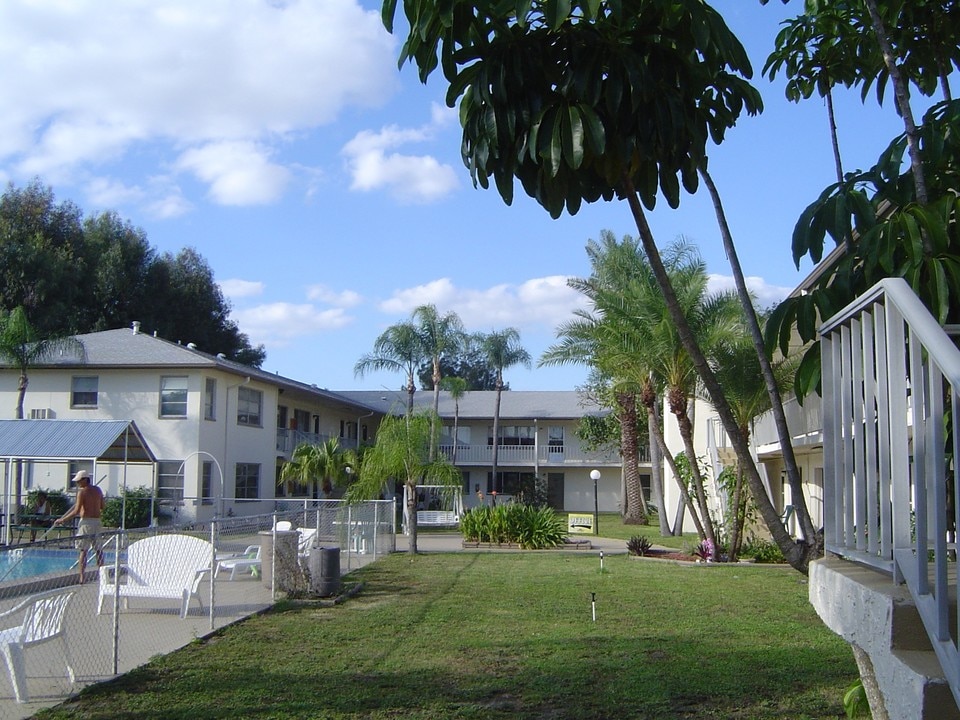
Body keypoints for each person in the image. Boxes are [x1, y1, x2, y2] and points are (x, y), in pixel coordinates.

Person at [53, 470, 105, 582]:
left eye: (79, 481)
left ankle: (82, 577)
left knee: (83, 550)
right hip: (97, 522)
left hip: (86, 523)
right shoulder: (98, 490)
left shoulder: (82, 492)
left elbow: (76, 510)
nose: (77, 483)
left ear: (85, 479)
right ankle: (102, 576)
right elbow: (102, 506)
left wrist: (62, 520)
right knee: (99, 550)